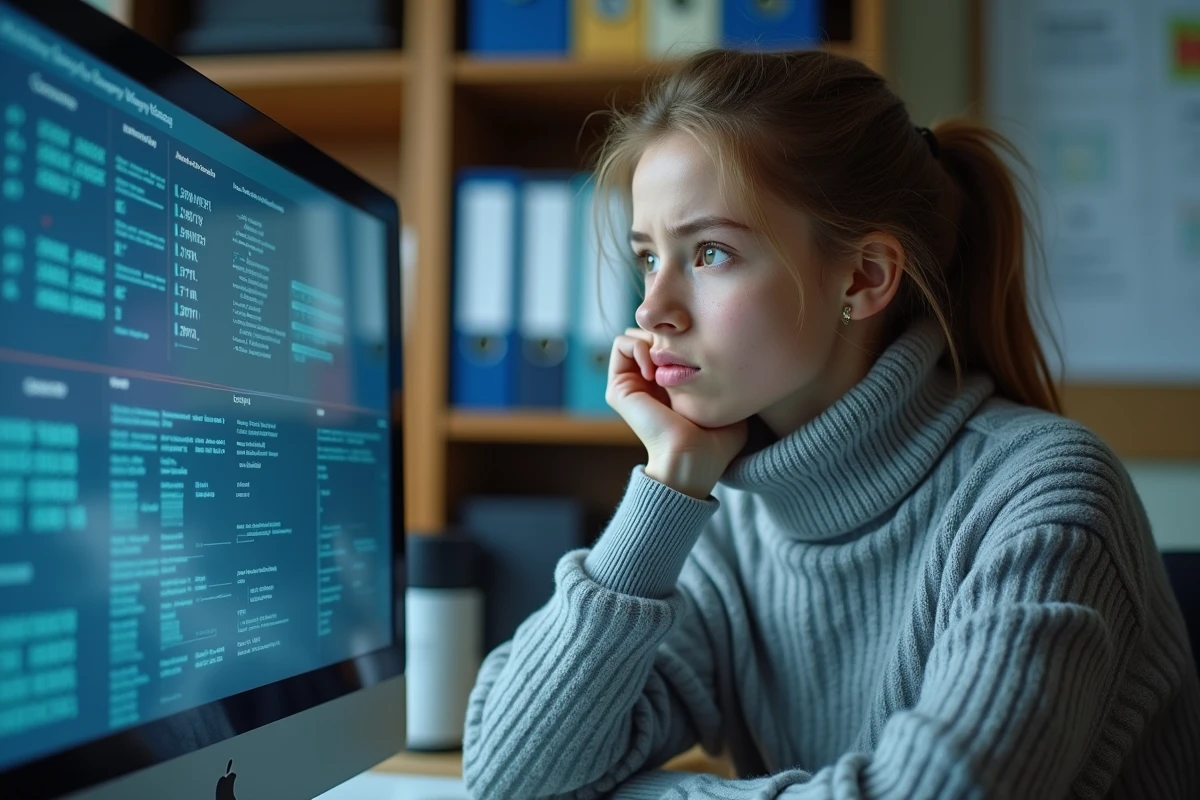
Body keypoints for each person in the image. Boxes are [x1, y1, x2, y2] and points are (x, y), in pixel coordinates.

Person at [461, 49, 1200, 799]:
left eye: (710, 253)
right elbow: (507, 778)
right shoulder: (730, 524)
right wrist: (670, 482)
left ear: (864, 276)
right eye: (649, 257)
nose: (651, 310)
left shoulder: (1046, 498)